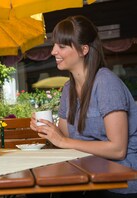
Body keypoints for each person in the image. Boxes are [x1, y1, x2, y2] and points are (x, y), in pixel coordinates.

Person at [30, 15, 137, 197]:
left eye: (62, 46)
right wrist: (49, 131)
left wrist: (63, 141)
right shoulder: (68, 88)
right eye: (55, 45)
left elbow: (118, 149)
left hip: (119, 181)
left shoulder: (106, 83)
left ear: (83, 50)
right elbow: (65, 139)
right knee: (38, 192)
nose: (53, 51)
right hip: (86, 174)